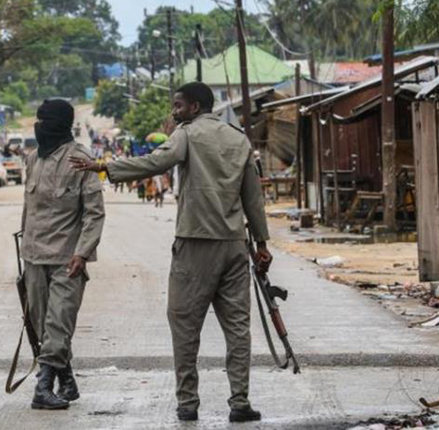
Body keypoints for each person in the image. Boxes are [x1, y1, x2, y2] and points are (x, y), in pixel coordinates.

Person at [70, 82, 272, 423]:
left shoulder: (187, 133)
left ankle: (188, 402)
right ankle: (240, 402)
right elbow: (253, 197)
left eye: (178, 105)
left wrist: (105, 167)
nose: (174, 112)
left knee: (184, 323)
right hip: (236, 245)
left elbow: (158, 161)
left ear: (194, 107)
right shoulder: (239, 139)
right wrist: (262, 244)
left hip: (195, 243)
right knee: (238, 328)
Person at [21, 99, 105, 410]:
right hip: (33, 258)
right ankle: (66, 380)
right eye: (37, 119)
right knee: (44, 326)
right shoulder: (33, 160)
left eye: (44, 120)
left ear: (59, 123)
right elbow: (28, 211)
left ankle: (42, 388)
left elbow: (94, 214)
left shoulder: (80, 161)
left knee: (58, 325)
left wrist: (82, 253)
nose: (38, 125)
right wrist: (23, 257)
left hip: (67, 261)